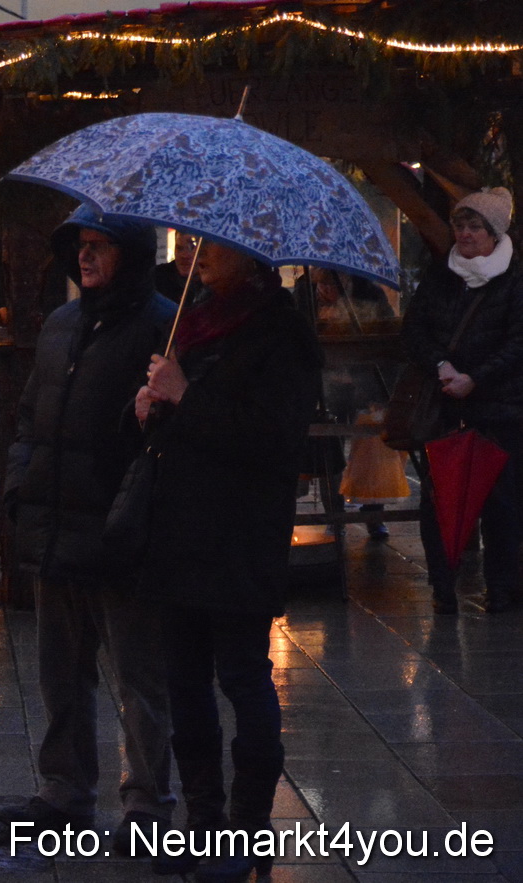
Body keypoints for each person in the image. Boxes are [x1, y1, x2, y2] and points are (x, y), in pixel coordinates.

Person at [134, 241, 321, 879]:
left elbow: (271, 440)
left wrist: (186, 396)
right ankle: (203, 824)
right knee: (184, 683)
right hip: (180, 532)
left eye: (211, 246)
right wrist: (153, 411)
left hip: (240, 535)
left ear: (250, 256)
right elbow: (181, 425)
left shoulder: (281, 332)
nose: (195, 254)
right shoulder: (196, 317)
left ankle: (248, 831)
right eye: (192, 243)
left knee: (243, 677)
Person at [0, 206, 176, 847]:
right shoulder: (60, 323)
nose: (86, 255)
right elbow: (28, 416)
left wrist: (152, 415)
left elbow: (165, 436)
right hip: (53, 522)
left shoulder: (160, 326)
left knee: (137, 674)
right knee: (60, 669)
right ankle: (64, 787)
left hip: (118, 526)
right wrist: (20, 484)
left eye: (101, 246)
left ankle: (147, 802)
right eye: (80, 243)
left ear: (128, 253)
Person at [403, 187, 523, 615]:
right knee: (439, 500)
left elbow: (517, 342)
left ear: (494, 232)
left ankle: (504, 589)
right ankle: (443, 588)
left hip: (500, 410)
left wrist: (478, 377)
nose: (466, 233)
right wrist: (442, 366)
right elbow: (415, 330)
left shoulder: (513, 280)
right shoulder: (441, 277)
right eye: (460, 225)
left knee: (502, 503)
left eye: (475, 226)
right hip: (445, 406)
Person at [155, 233, 198, 304]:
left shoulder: (212, 285)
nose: (184, 256)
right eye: (179, 248)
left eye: (192, 248)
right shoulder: (159, 277)